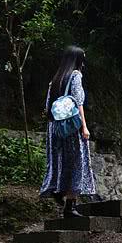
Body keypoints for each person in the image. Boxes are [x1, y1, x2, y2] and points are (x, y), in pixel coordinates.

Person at [40, 45, 96, 218]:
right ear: (77, 60)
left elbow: (48, 107)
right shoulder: (75, 76)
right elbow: (78, 103)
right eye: (82, 58)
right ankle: (70, 206)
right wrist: (84, 127)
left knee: (59, 162)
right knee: (76, 163)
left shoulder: (55, 79)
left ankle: (58, 192)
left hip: (55, 128)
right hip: (71, 128)